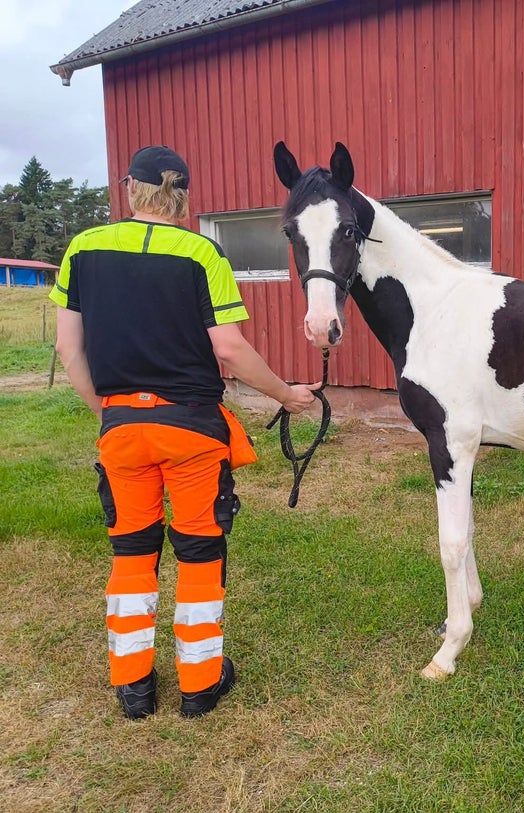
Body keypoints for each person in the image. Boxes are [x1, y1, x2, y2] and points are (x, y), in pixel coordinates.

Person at [51, 145, 318, 719]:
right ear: (183, 197)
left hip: (122, 430)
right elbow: (228, 348)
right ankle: (199, 688)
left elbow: (67, 348)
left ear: (129, 187)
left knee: (131, 553)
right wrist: (285, 395)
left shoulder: (82, 248)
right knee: (199, 553)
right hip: (193, 430)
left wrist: (108, 411)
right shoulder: (202, 252)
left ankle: (134, 688)